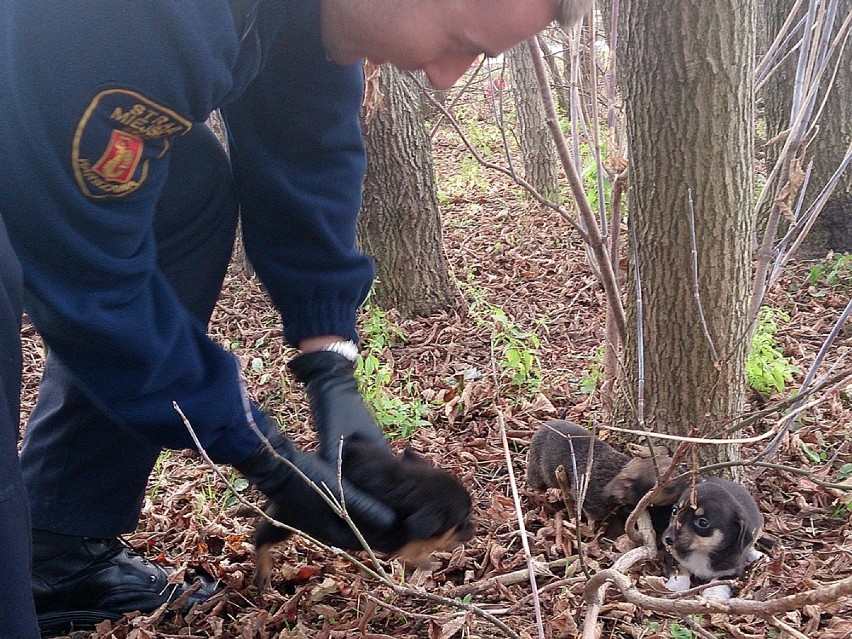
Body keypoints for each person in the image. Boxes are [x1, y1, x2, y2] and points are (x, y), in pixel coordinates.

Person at [0, 0, 587, 635]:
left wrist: (330, 363)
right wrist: (260, 452)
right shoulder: (153, 17)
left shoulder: (312, 16)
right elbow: (87, 274)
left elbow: (305, 147)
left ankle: (61, 547)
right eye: (460, 41)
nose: (448, 75)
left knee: (186, 192)